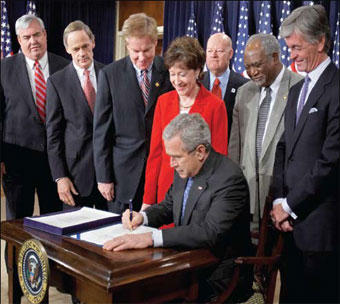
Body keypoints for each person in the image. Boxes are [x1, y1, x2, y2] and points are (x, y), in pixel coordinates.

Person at [103, 113, 253, 302]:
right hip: (186, 265)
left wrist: (150, 238)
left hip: (217, 276)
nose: (171, 164)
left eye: (176, 157)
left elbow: (210, 232)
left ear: (200, 151)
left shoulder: (229, 179)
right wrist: (143, 217)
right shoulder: (186, 168)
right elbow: (169, 206)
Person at [270, 5, 339, 303]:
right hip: (289, 230)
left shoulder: (336, 88)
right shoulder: (298, 90)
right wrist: (277, 202)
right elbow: (285, 148)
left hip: (321, 231)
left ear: (321, 42)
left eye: (297, 47)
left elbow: (332, 160)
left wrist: (291, 205)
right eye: (289, 48)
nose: (292, 56)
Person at [93, 13, 173, 214]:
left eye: (147, 50)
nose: (142, 57)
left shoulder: (169, 72)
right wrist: (104, 177)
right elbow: (101, 131)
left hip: (160, 172)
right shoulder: (110, 75)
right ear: (127, 45)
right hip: (123, 177)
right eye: (135, 51)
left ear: (156, 42)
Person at [141, 36, 228, 211]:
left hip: (200, 193)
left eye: (182, 74)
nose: (176, 81)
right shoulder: (163, 102)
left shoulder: (215, 105)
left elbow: (219, 157)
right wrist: (148, 200)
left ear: (197, 71)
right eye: (172, 74)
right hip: (165, 191)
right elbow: (155, 154)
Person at [228, 33, 302, 230]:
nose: (252, 72)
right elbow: (235, 148)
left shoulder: (299, 87)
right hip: (248, 200)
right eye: (247, 67)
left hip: (284, 202)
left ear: (275, 57)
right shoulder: (244, 92)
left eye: (257, 65)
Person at [0, 14, 68, 220]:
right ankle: (18, 255)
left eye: (37, 35)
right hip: (16, 161)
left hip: (56, 162)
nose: (33, 41)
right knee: (17, 225)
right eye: (26, 37)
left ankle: (48, 255)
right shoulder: (3, 69)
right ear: (19, 40)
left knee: (55, 222)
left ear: (45, 35)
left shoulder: (65, 67)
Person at [46, 20, 107, 211]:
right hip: (76, 177)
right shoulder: (57, 82)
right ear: (67, 50)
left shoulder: (109, 74)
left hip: (109, 176)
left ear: (93, 43)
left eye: (85, 46)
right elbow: (53, 135)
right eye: (76, 48)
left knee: (110, 234)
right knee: (74, 238)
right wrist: (60, 177)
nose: (82, 53)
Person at [203, 32, 248, 140]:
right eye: (209, 51)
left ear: (230, 53)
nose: (213, 55)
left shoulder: (244, 85)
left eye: (219, 51)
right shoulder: (196, 83)